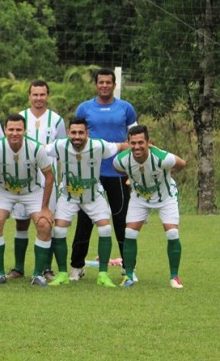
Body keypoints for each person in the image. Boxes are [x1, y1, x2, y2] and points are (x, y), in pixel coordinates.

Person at [70, 68, 137, 281]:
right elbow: (75, 138)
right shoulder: (85, 108)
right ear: (96, 85)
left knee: (121, 219)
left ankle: (128, 268)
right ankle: (77, 266)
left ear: (114, 84)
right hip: (89, 175)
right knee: (85, 220)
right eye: (101, 82)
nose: (105, 86)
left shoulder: (126, 108)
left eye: (109, 82)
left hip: (117, 172)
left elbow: (135, 139)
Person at [45, 117, 127, 288]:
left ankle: (103, 275)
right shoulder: (60, 145)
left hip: (93, 196)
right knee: (59, 230)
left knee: (105, 228)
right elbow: (39, 150)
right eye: (73, 132)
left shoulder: (98, 145)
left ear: (87, 133)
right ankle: (62, 274)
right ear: (68, 133)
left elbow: (122, 146)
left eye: (81, 132)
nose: (77, 136)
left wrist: (147, 148)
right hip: (68, 197)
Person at [0, 113, 54, 286]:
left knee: (44, 224)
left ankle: (38, 275)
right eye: (11, 129)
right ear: (5, 129)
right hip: (4, 191)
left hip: (32, 191)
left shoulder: (37, 148)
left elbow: (49, 176)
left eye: (18, 129)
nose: (15, 133)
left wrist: (44, 207)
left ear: (24, 130)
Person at [113, 125, 187, 289]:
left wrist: (172, 172)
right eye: (133, 143)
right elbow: (117, 167)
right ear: (129, 143)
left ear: (148, 142)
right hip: (140, 198)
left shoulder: (162, 157)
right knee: (130, 233)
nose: (137, 146)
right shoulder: (122, 159)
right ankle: (129, 275)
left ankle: (174, 276)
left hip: (165, 197)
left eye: (141, 142)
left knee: (172, 233)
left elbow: (182, 163)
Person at [9, 80, 67, 280]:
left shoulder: (57, 120)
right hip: (22, 180)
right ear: (29, 96)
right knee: (21, 222)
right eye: (35, 94)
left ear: (47, 96)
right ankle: (18, 267)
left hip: (47, 180)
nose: (38, 98)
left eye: (42, 94)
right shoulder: (21, 118)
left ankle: (45, 268)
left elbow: (61, 150)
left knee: (45, 222)